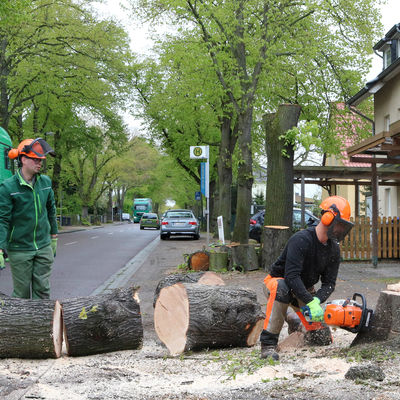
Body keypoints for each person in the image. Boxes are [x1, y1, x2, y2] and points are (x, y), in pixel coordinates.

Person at [259, 195, 354, 360]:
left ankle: (294, 319)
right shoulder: (301, 240)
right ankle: (268, 344)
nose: (340, 230)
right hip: (278, 283)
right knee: (282, 288)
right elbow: (291, 276)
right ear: (327, 217)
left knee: (322, 339)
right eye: (339, 224)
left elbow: (329, 283)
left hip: (304, 290)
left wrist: (317, 300)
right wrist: (309, 301)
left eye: (343, 226)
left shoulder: (333, 249)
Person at [0, 138, 58, 299]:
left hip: (43, 245)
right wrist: (0, 247)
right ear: (23, 159)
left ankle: (43, 324)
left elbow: (51, 210)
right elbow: (2, 219)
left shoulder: (45, 182)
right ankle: (22, 324)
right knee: (22, 294)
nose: (39, 163)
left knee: (43, 291)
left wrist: (53, 236)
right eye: (35, 159)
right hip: (19, 249)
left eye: (41, 160)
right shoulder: (8, 187)